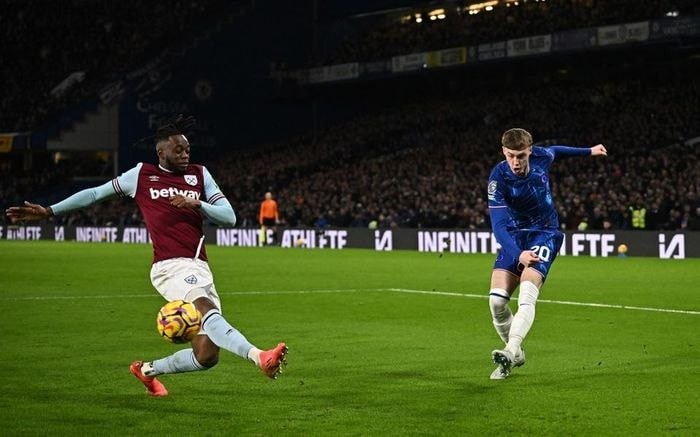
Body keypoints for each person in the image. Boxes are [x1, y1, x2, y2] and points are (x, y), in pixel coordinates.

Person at [6, 115, 288, 396]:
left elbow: (230, 218)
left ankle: (148, 371)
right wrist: (50, 211)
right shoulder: (141, 175)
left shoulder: (200, 175)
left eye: (188, 149)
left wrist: (198, 203)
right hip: (169, 267)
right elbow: (95, 194)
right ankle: (259, 356)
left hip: (199, 267)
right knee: (204, 307)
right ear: (161, 152)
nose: (185, 154)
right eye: (178, 150)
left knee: (207, 356)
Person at [486, 128, 607, 380]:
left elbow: (557, 151)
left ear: (530, 151)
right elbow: (498, 226)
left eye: (521, 155)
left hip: (545, 233)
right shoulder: (498, 178)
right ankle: (517, 354)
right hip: (515, 236)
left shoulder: (541, 156)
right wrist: (518, 253)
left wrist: (589, 151)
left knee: (527, 293)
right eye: (510, 156)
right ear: (503, 152)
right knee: (496, 302)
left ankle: (510, 351)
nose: (516, 162)